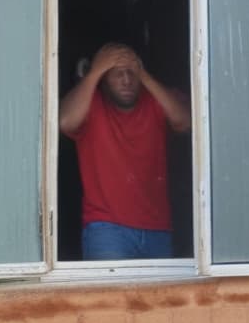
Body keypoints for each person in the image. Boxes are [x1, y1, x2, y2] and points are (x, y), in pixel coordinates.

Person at [59, 43, 191, 260]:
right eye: (116, 73)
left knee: (162, 296)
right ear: (103, 79)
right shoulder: (92, 106)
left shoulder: (154, 102)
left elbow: (186, 121)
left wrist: (144, 74)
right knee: (110, 295)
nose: (127, 80)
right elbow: (64, 122)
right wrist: (94, 73)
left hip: (158, 228)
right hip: (107, 229)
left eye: (131, 72)